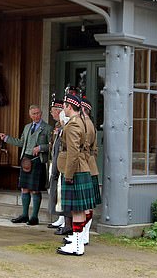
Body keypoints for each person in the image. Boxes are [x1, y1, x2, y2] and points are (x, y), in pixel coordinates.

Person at [0, 104, 52, 226]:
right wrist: (6, 138)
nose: (36, 116)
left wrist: (40, 147)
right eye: (34, 114)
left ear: (41, 113)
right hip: (26, 160)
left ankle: (34, 217)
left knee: (35, 190)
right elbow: (21, 142)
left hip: (37, 160)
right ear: (30, 115)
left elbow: (51, 146)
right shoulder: (27, 127)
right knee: (24, 188)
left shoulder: (47, 128)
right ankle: (24, 215)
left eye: (38, 113)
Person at [56, 93, 96, 256]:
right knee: (78, 209)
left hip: (75, 170)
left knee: (77, 210)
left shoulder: (73, 125)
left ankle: (77, 246)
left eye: (64, 106)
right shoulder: (82, 122)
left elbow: (73, 152)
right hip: (81, 167)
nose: (63, 109)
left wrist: (69, 174)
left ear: (69, 107)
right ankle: (77, 243)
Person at [47, 94, 72, 235]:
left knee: (61, 192)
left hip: (63, 164)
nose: (52, 114)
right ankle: (61, 217)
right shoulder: (58, 125)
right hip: (56, 161)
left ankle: (64, 218)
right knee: (56, 191)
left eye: (53, 111)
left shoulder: (66, 125)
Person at [81, 97, 100, 245]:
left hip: (86, 166)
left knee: (85, 205)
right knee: (87, 204)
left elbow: (84, 147)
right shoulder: (88, 123)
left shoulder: (86, 124)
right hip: (89, 166)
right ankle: (83, 234)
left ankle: (84, 235)